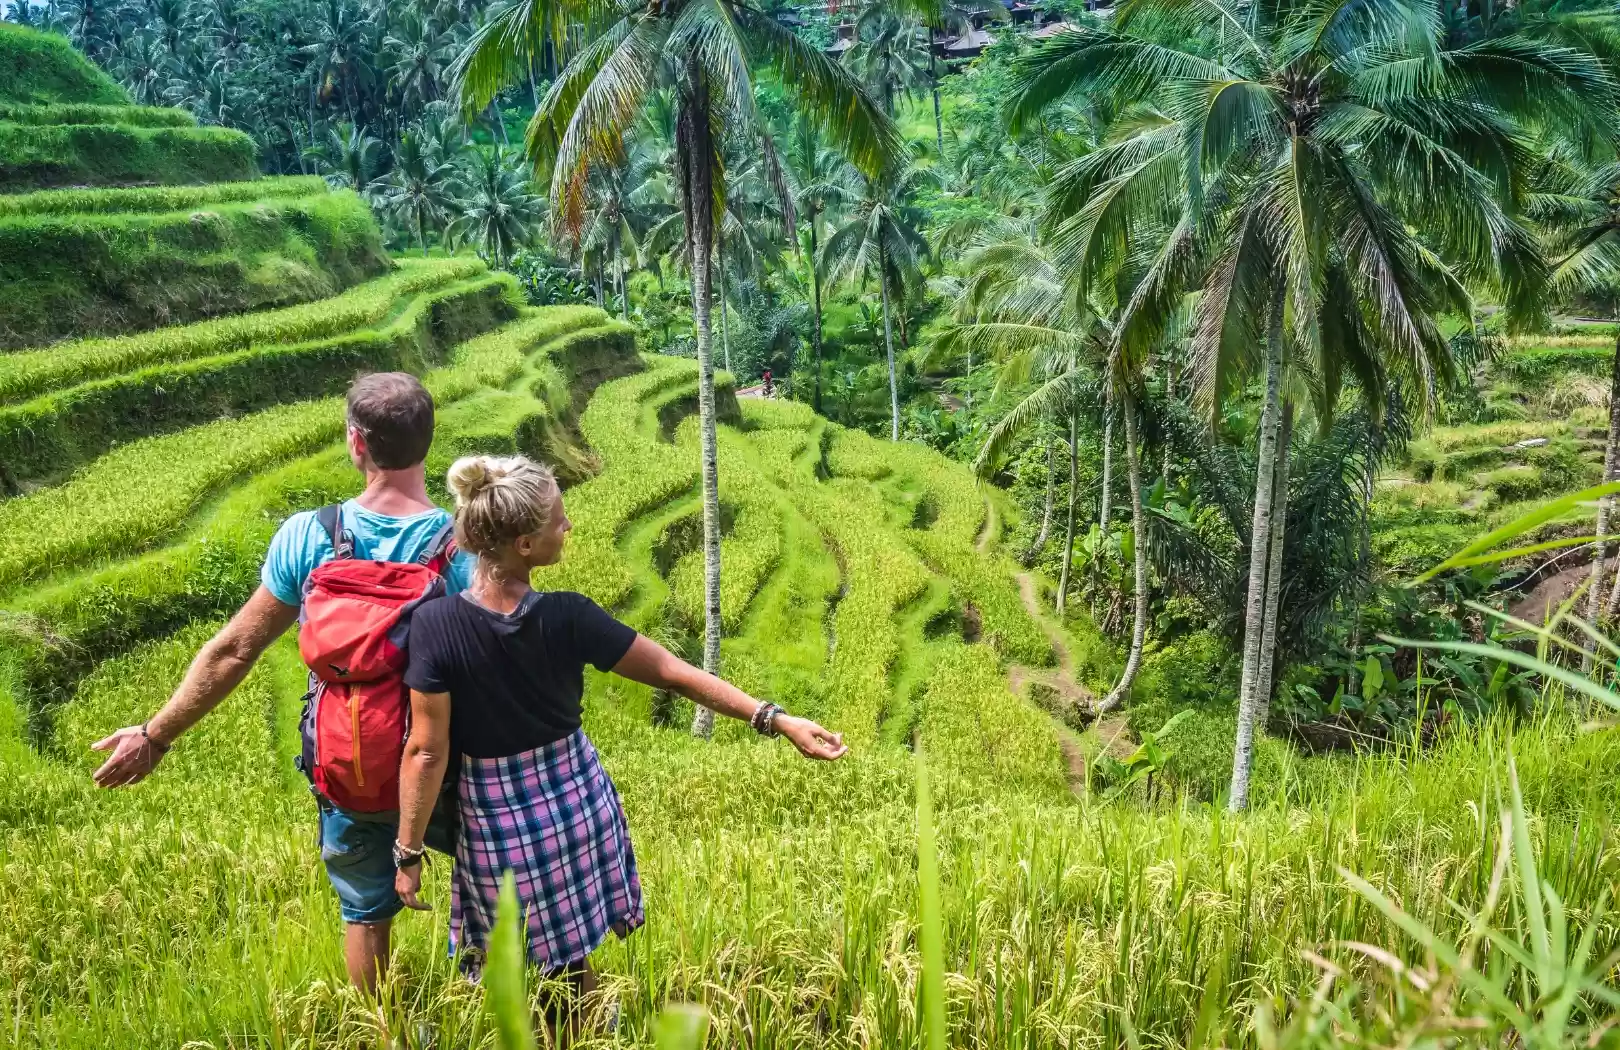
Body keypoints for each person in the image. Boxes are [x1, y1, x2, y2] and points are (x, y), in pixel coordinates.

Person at [393, 454, 846, 1037]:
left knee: (511, 966)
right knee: (574, 953)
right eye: (559, 521)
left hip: (497, 824)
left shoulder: (436, 626)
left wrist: (407, 854)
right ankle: (588, 1034)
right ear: (526, 544)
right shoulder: (568, 617)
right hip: (577, 805)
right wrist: (775, 718)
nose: (569, 527)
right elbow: (672, 672)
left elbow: (426, 751)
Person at [90, 371, 477, 993]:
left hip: (348, 759)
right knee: (500, 888)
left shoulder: (310, 536)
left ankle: (384, 1034)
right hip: (445, 764)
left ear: (357, 444)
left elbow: (234, 651)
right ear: (428, 444)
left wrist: (154, 735)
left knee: (366, 915)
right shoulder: (462, 544)